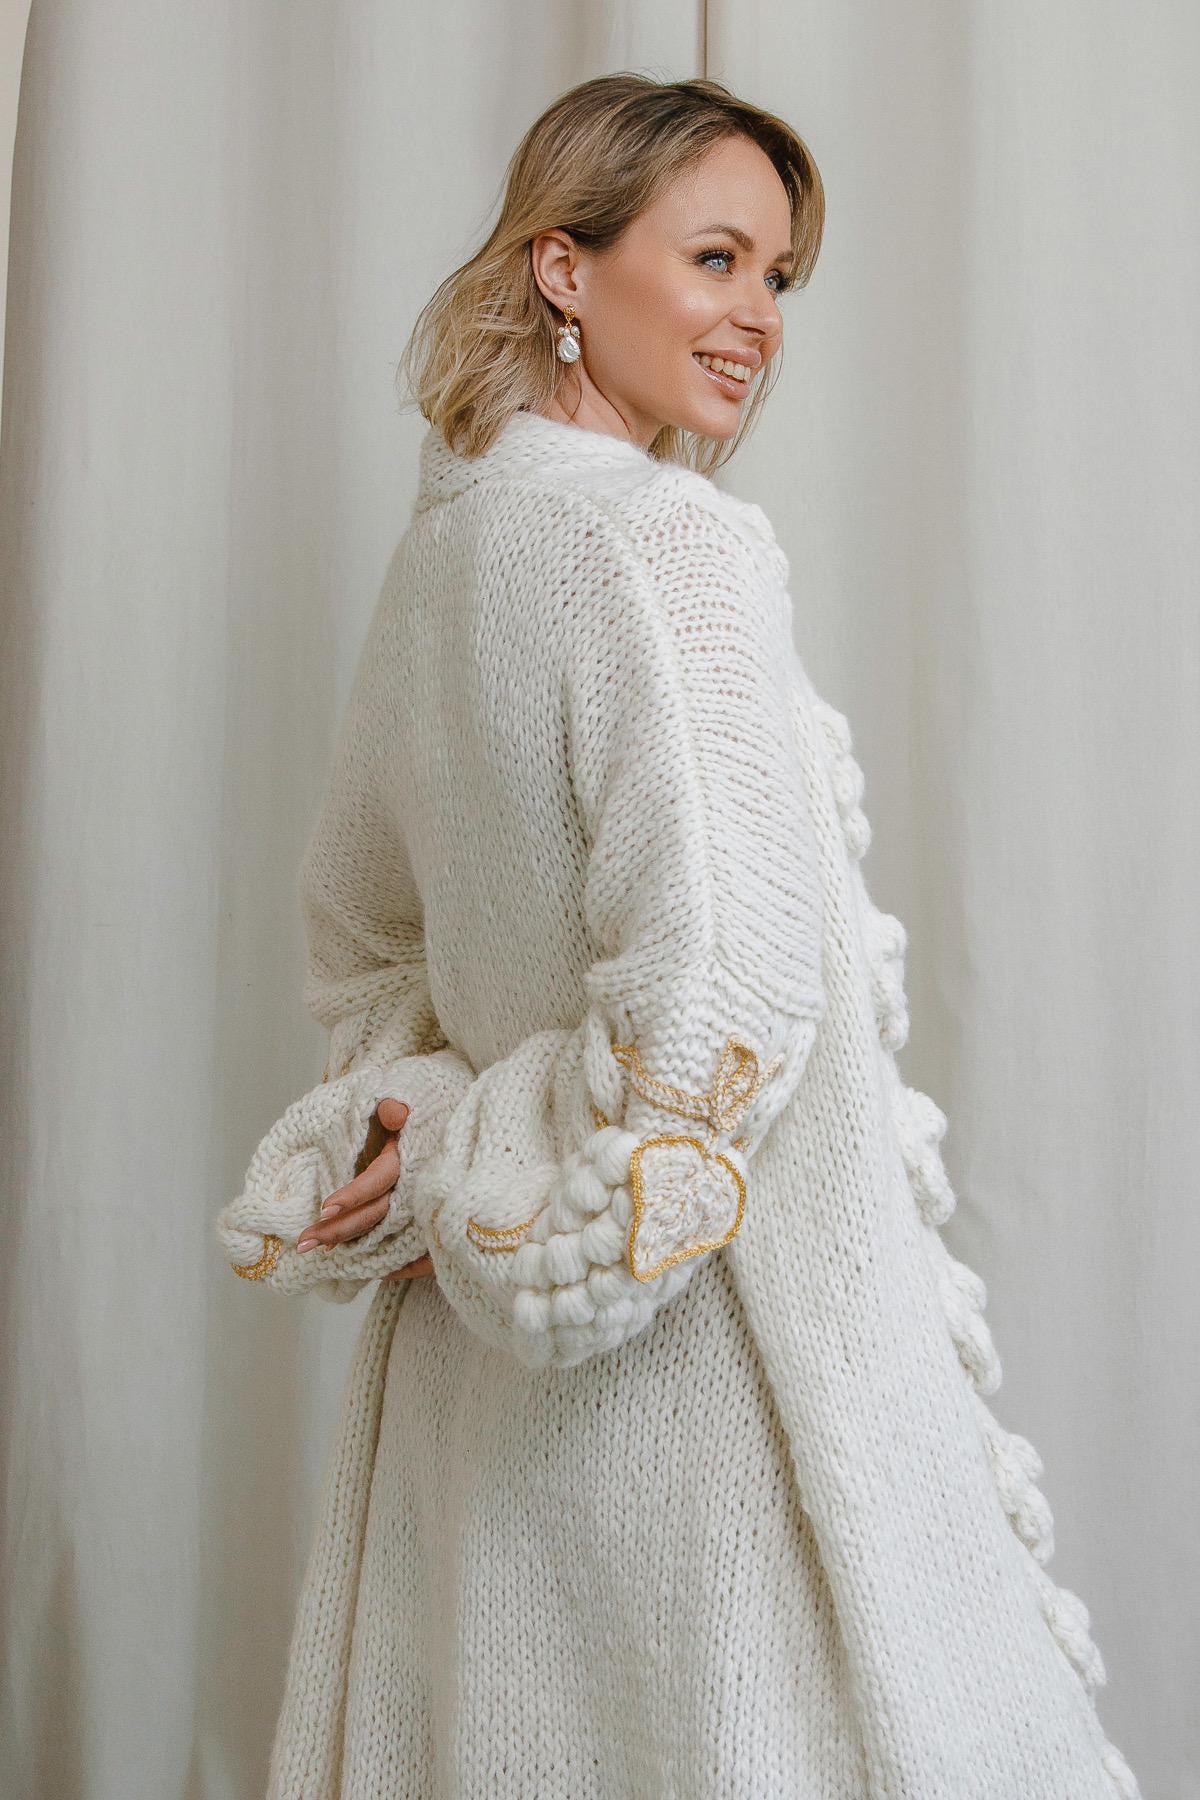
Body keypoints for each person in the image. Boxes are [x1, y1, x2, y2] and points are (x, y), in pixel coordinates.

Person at [215, 73, 1141, 1800]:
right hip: (711, 1364)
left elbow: (360, 936)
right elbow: (723, 988)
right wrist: (547, 1176)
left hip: (479, 1405)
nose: (758, 318)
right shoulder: (662, 549)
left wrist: (443, 1128)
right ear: (564, 267)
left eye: (779, 276)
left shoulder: (449, 555)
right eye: (715, 258)